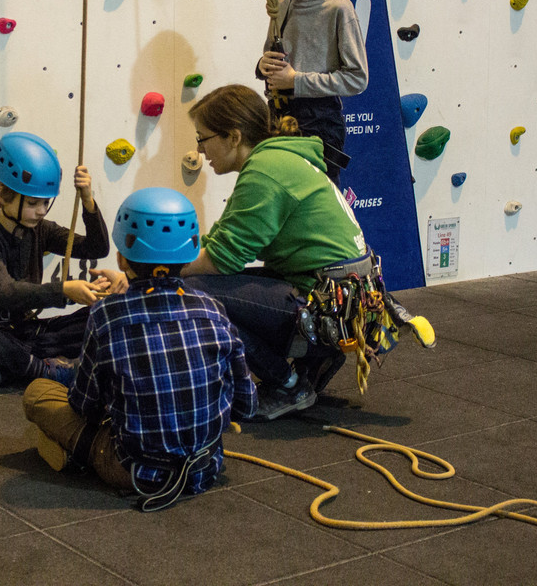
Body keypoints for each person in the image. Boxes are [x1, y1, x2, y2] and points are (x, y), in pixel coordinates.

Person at [181, 84, 434, 421]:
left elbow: (221, 260)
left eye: (203, 138)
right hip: (344, 297)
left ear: (233, 137)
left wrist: (157, 273)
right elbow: (226, 244)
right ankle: (313, 362)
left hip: (325, 302)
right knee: (218, 284)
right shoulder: (281, 158)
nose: (200, 149)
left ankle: (289, 384)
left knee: (191, 293)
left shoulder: (264, 171)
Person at [22, 187, 256, 511]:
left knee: (38, 393)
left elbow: (83, 405)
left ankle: (77, 453)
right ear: (188, 254)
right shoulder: (213, 308)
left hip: (134, 473)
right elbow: (246, 406)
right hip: (205, 468)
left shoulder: (107, 315)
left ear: (121, 257)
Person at [0, 131, 121, 389]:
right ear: (3, 196)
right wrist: (64, 290)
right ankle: (43, 368)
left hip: (27, 332)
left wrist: (88, 200)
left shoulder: (42, 229)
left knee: (103, 313)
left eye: (46, 202)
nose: (42, 210)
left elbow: (96, 248)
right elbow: (5, 292)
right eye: (34, 202)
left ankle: (8, 366)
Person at [256, 0, 368, 186]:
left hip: (318, 123)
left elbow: (357, 78)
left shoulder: (338, 9)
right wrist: (263, 65)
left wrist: (297, 81)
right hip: (278, 115)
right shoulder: (281, 4)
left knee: (315, 206)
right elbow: (275, 63)